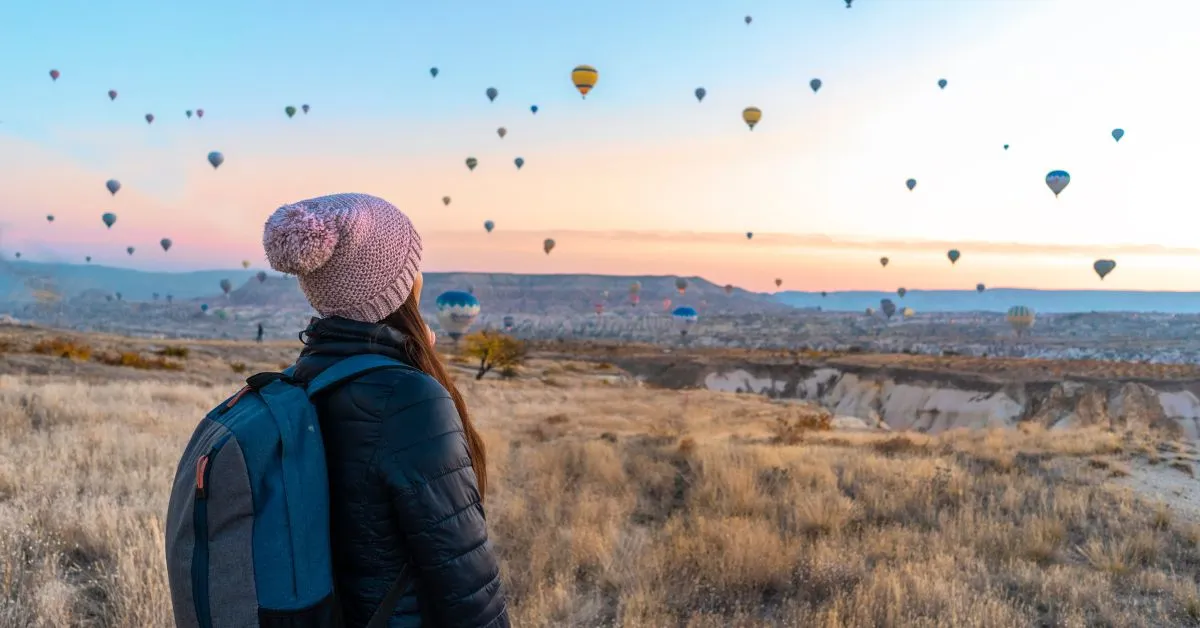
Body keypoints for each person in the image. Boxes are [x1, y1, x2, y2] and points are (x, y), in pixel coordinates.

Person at [262, 193, 509, 628]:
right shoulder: (408, 398)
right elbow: (465, 579)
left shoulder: (305, 379)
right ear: (399, 282)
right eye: (413, 265)